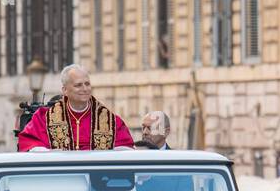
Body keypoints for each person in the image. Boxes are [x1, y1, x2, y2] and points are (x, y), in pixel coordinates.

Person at [18, 64, 169, 152]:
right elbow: (28, 144)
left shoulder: (110, 121)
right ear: (64, 90)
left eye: (87, 84)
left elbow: (126, 151)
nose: (84, 89)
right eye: (78, 85)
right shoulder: (44, 117)